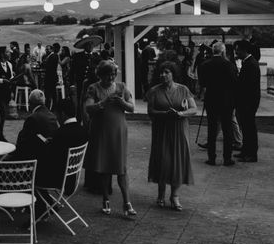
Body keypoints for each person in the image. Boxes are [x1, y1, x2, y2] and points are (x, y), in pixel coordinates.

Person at [83, 60, 136, 218]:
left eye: (113, 74)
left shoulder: (121, 87)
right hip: (101, 131)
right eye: (108, 75)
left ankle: (127, 203)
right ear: (101, 75)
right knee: (104, 166)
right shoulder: (94, 88)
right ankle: (105, 199)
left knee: (121, 167)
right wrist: (103, 103)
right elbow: (88, 108)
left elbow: (132, 108)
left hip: (118, 131)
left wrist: (123, 103)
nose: (111, 77)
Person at [146, 61, 197, 211]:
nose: (163, 75)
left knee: (177, 161)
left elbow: (194, 109)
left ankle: (174, 195)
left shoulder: (183, 90)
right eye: (161, 72)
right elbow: (150, 112)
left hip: (179, 130)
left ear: (173, 74)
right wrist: (164, 114)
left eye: (166, 72)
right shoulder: (154, 91)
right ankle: (161, 194)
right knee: (163, 160)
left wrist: (181, 113)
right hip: (161, 130)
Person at [198, 42, 237, 166]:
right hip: (226, 100)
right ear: (223, 51)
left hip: (211, 99)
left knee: (212, 128)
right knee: (227, 129)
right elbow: (234, 83)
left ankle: (212, 158)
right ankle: (227, 158)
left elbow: (202, 83)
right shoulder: (229, 65)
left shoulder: (205, 65)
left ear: (212, 51)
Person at [39, 98, 88, 192]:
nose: (56, 117)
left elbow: (51, 155)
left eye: (56, 114)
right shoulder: (83, 130)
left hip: (57, 177)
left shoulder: (60, 133)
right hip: (72, 174)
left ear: (62, 113)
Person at [234, 40, 261, 163]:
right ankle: (245, 150)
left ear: (244, 50)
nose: (236, 52)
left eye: (238, 49)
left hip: (249, 102)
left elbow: (248, 85)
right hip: (246, 101)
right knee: (245, 127)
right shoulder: (248, 62)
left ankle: (252, 153)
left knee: (249, 127)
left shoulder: (251, 64)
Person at [13, 89, 59, 162]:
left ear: (30, 103)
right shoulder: (52, 116)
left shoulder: (32, 118)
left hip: (36, 160)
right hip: (51, 157)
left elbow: (22, 143)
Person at [43, 43, 60, 110]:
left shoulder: (54, 56)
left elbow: (49, 66)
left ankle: (50, 106)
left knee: (49, 93)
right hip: (52, 76)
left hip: (50, 77)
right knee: (52, 93)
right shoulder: (53, 55)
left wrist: (45, 63)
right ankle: (52, 107)